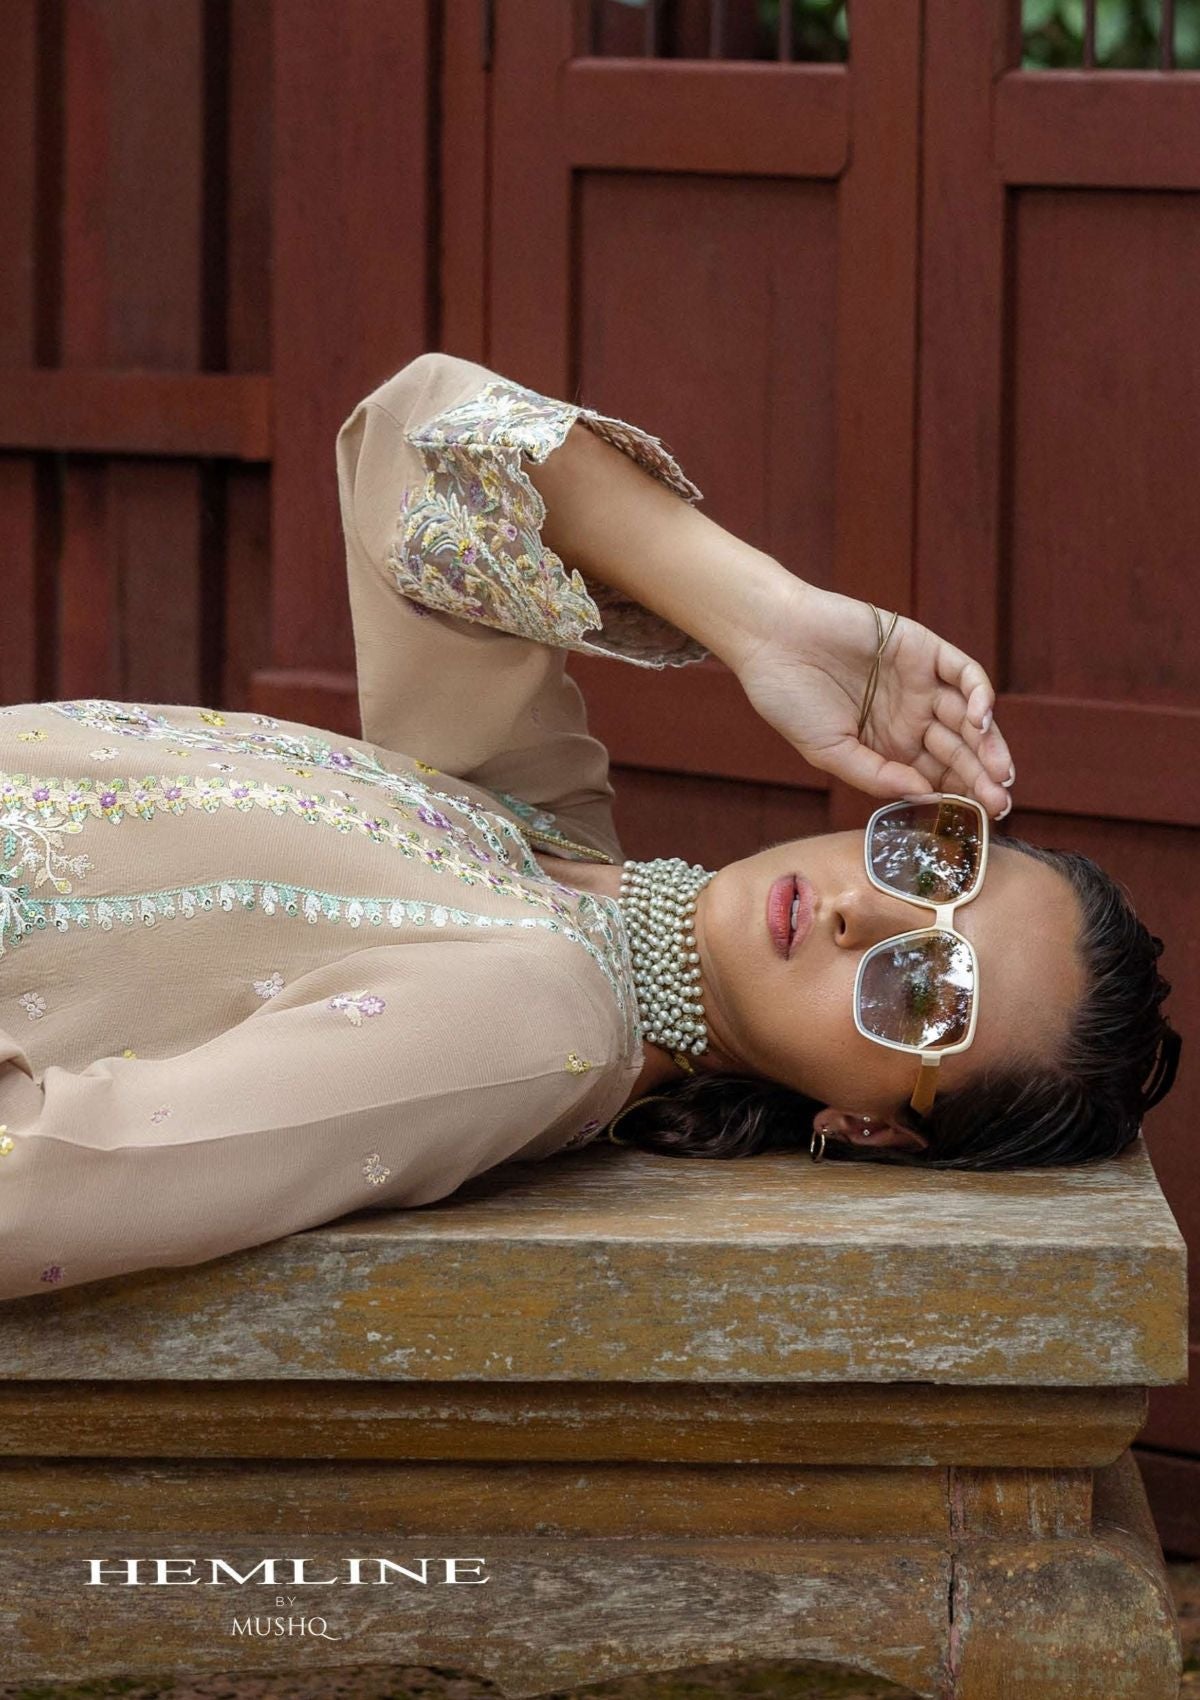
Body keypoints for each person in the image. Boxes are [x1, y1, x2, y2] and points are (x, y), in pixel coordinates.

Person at [0, 352, 1179, 1302]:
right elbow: (422, 439)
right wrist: (766, 618)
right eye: (931, 863)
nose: (860, 911)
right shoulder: (542, 827)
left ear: (871, 1127)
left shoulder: (542, 1026)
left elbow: (48, 1185)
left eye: (923, 991)